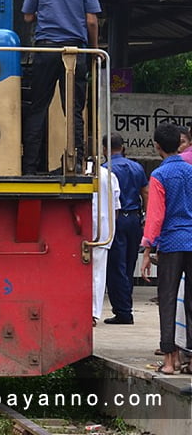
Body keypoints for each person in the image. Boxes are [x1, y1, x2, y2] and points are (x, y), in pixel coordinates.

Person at [21, 0, 102, 175]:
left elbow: (27, 17)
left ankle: (29, 166)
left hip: (46, 50)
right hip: (74, 52)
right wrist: (94, 50)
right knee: (74, 109)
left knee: (38, 107)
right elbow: (91, 21)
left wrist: (45, 13)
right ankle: (75, 162)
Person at [138, 123, 192, 375]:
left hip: (171, 243)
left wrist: (147, 249)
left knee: (168, 300)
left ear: (157, 147)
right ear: (180, 145)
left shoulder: (160, 175)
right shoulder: (190, 171)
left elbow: (156, 216)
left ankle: (170, 361)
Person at [101, 132, 149, 324]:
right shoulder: (136, 167)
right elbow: (145, 192)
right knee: (129, 264)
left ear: (104, 149)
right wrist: (146, 217)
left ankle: (123, 311)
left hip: (116, 219)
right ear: (123, 147)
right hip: (134, 219)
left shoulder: (105, 170)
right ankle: (126, 305)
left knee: (116, 266)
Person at [90, 159, 120, 326]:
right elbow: (116, 207)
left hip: (81, 227)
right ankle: (93, 313)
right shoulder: (109, 176)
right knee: (98, 273)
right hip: (103, 230)